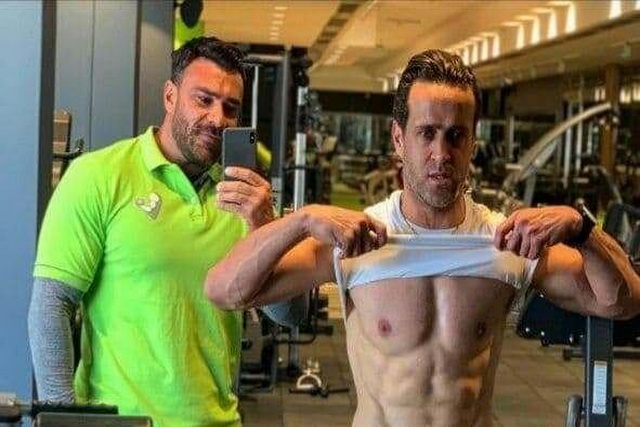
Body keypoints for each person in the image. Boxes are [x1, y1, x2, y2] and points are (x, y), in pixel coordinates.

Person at [204, 50, 640, 427]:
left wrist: (582, 229)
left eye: (456, 136)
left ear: (472, 144)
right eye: (426, 133)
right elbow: (224, 291)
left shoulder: (504, 244)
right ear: (399, 139)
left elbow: (622, 301)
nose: (441, 154)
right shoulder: (357, 240)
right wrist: (301, 221)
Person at [29, 36, 304, 426]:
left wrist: (265, 228)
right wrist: (64, 418)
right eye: (203, 100)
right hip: (121, 421)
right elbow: (51, 305)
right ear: (170, 96)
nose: (217, 119)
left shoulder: (245, 198)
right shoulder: (98, 176)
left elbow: (290, 315)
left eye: (230, 107)